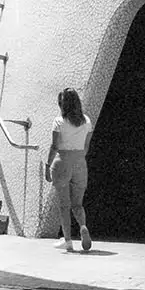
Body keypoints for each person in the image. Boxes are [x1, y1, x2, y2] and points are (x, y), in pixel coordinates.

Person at [43, 88, 93, 253]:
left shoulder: (59, 121)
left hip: (62, 162)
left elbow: (54, 146)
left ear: (63, 105)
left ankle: (68, 242)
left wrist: (48, 165)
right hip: (80, 163)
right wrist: (78, 157)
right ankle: (83, 226)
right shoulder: (86, 121)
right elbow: (86, 146)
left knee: (64, 205)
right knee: (77, 204)